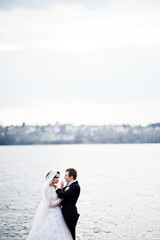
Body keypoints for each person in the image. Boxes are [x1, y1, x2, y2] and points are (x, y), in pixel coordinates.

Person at [27, 170, 73, 240]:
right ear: (51, 178)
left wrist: (61, 189)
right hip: (52, 212)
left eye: (58, 178)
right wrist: (63, 196)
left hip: (57, 211)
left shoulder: (54, 187)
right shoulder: (48, 188)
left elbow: (56, 196)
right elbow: (52, 203)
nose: (58, 179)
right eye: (56, 178)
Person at [56, 168, 80, 240]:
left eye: (66, 175)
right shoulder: (68, 186)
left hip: (70, 215)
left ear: (71, 176)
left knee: (71, 236)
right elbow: (63, 194)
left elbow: (61, 195)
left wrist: (58, 189)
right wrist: (62, 188)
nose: (64, 177)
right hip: (66, 214)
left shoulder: (75, 186)